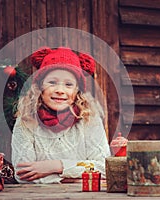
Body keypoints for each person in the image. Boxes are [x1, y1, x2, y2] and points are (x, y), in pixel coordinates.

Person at [11, 47, 111, 183]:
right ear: (40, 87)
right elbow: (22, 175)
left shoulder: (89, 120)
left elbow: (103, 168)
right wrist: (76, 178)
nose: (60, 90)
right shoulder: (26, 121)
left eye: (69, 84)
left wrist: (57, 166)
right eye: (52, 82)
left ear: (77, 91)